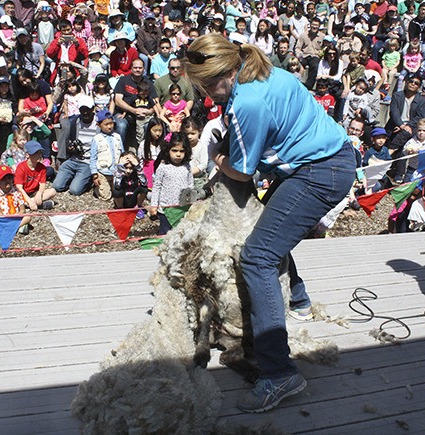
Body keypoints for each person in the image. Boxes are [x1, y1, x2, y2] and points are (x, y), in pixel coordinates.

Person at [183, 34, 356, 413]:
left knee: (257, 256)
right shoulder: (261, 70)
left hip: (318, 172)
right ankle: (298, 297)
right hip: (327, 157)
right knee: (269, 228)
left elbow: (243, 173)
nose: (208, 93)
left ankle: (279, 372)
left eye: (211, 84)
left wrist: (217, 160)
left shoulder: (248, 102)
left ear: (228, 71)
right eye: (202, 86)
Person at [148, 131, 193, 235]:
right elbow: (157, 187)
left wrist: (190, 201)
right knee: (165, 234)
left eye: (182, 151)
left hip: (182, 208)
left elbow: (190, 184)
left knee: (181, 234)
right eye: (174, 150)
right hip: (166, 209)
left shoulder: (187, 166)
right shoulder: (163, 167)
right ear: (168, 150)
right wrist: (154, 205)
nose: (178, 154)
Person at [52, 95, 97, 196]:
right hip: (73, 159)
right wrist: (70, 148)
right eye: (82, 110)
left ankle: (85, 179)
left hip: (88, 162)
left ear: (93, 109)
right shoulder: (74, 122)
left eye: (87, 109)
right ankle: (72, 177)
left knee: (75, 190)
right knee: (57, 186)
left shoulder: (98, 124)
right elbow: (68, 142)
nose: (85, 113)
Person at [90, 109, 124, 202]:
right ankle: (97, 188)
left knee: (118, 194)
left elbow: (122, 154)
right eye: (106, 124)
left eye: (111, 123)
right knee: (106, 197)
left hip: (116, 172)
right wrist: (95, 175)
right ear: (98, 125)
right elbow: (93, 158)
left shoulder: (117, 137)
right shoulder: (97, 139)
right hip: (102, 172)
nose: (109, 126)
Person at [15, 140, 56, 211]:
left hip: (34, 192)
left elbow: (42, 184)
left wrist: (39, 194)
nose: (39, 155)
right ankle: (32, 203)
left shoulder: (42, 167)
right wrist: (29, 201)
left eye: (40, 153)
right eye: (36, 153)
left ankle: (26, 204)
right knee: (18, 196)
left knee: (53, 191)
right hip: (22, 193)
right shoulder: (21, 167)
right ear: (27, 155)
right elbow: (19, 188)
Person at [0, 164, 32, 236]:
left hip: (16, 218)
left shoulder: (17, 192)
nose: (7, 181)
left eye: (9, 178)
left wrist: (17, 216)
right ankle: (14, 228)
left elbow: (22, 210)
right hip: (4, 219)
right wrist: (4, 219)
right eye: (3, 179)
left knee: (28, 217)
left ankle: (7, 228)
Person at [113, 151, 148, 217]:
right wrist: (120, 169)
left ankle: (138, 207)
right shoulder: (118, 172)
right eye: (125, 168)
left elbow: (144, 183)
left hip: (133, 196)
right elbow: (117, 185)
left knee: (144, 188)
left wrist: (138, 167)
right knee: (116, 191)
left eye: (131, 168)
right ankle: (120, 209)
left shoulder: (137, 171)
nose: (128, 171)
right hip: (123, 198)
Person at [137, 116, 164, 189]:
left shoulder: (163, 144)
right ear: (149, 130)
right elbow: (140, 160)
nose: (158, 133)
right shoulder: (143, 144)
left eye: (160, 131)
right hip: (148, 170)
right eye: (155, 131)